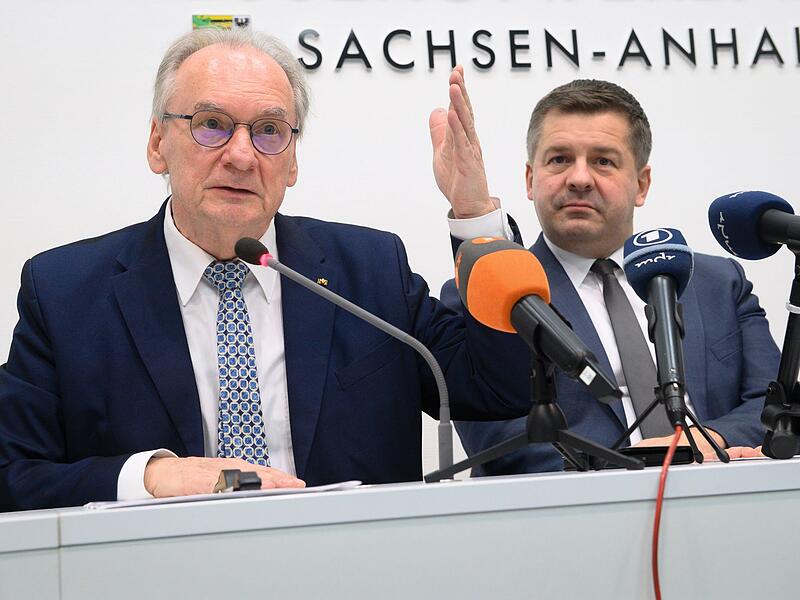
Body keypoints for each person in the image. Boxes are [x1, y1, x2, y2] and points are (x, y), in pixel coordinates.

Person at [0, 29, 528, 511]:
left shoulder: (368, 271)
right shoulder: (66, 293)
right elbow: (14, 475)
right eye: (211, 126)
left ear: (293, 160)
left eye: (270, 131)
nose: (242, 155)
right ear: (158, 144)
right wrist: (153, 477)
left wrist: (475, 215)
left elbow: (499, 389)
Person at [431, 70, 779, 475]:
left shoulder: (719, 283)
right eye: (560, 159)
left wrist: (711, 440)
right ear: (530, 180)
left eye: (603, 161)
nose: (579, 179)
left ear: (641, 184)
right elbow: (504, 444)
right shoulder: (492, 298)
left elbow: (774, 408)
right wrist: (629, 472)